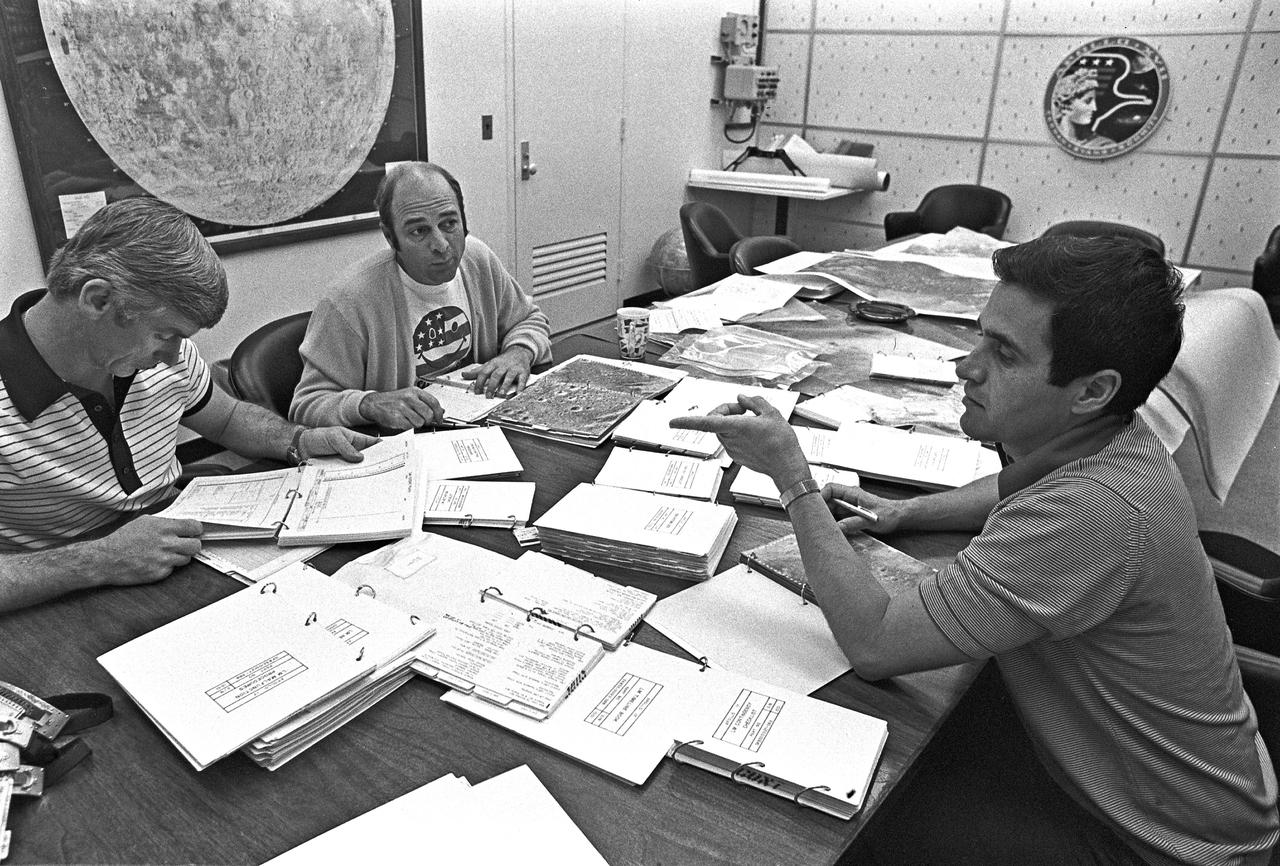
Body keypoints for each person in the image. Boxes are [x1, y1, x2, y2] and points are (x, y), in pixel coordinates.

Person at [673, 235, 1278, 865]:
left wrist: (792, 478)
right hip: (1157, 777)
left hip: (1159, 842)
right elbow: (1009, 482)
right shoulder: (1112, 434)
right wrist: (906, 511)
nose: (967, 366)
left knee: (837, 830)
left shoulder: (1091, 512)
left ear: (1093, 390)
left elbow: (876, 643)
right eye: (980, 335)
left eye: (1004, 353)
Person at [0, 197, 376, 614]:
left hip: (173, 555)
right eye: (165, 334)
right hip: (58, 602)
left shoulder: (156, 359)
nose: (176, 357)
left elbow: (229, 419)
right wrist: (97, 560)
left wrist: (300, 440)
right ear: (98, 300)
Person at [290, 161, 552, 431]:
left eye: (449, 223)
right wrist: (369, 404)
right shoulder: (349, 300)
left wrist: (519, 352)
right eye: (419, 231)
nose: (441, 245)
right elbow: (306, 405)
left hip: (480, 428)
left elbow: (529, 319)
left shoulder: (477, 260)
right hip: (402, 446)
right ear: (391, 238)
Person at [1051, 67, 1115, 149]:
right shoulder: (1047, 136)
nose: (1094, 108)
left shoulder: (1104, 145)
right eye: (1087, 101)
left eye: (1094, 101)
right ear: (1065, 104)